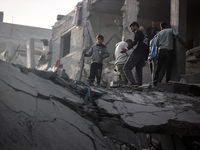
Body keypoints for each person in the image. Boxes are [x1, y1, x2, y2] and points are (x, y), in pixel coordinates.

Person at [153, 21, 188, 86]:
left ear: (161, 27)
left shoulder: (160, 33)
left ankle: (155, 81)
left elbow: (156, 43)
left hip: (161, 50)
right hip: (168, 50)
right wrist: (184, 42)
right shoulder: (170, 30)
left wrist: (161, 47)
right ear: (167, 26)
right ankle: (167, 81)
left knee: (158, 67)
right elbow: (177, 35)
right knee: (168, 67)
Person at [121, 21, 149, 87]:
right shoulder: (145, 35)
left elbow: (135, 42)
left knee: (126, 68)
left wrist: (127, 49)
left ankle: (133, 83)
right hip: (142, 55)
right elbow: (147, 48)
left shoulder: (138, 32)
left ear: (135, 26)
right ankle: (139, 86)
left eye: (131, 28)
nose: (131, 30)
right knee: (138, 71)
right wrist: (145, 59)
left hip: (137, 53)